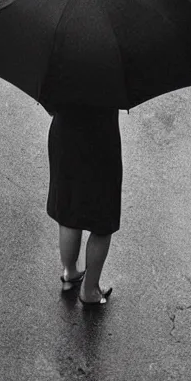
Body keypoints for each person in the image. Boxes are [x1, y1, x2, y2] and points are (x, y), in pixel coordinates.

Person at [45, 105, 122, 306]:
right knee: (103, 219)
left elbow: (51, 106)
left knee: (69, 208)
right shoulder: (111, 72)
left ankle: (70, 271)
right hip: (101, 139)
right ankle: (90, 290)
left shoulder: (59, 72)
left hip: (64, 135)